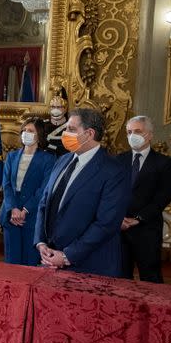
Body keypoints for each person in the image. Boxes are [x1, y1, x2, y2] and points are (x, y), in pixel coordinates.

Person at [34, 108, 130, 277]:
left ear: (89, 133)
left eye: (71, 129)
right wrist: (41, 242)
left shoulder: (114, 170)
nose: (64, 134)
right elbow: (44, 203)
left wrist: (66, 256)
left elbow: (106, 223)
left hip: (90, 266)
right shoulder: (62, 160)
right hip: (50, 259)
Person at [117, 116, 171, 283]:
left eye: (137, 131)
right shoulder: (118, 160)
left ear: (149, 135)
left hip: (147, 229)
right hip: (119, 228)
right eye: (129, 132)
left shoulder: (164, 163)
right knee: (119, 277)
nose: (132, 136)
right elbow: (111, 193)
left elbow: (163, 197)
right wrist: (118, 217)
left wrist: (138, 219)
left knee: (151, 277)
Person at [0, 118, 55, 265]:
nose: (26, 133)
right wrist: (13, 208)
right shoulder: (11, 156)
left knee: (29, 262)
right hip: (11, 215)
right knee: (12, 262)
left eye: (30, 131)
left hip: (33, 216)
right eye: (24, 130)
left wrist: (25, 209)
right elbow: (6, 185)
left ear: (39, 135)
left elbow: (44, 188)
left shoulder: (48, 159)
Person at [41, 91, 69, 157]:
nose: (55, 110)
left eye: (59, 107)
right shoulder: (43, 125)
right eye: (53, 107)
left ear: (65, 109)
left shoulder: (71, 126)